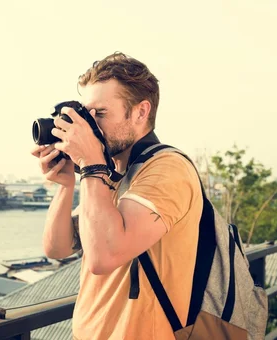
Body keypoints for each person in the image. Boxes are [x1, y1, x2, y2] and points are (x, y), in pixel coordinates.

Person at [31, 52, 203, 340]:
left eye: (100, 114)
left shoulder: (167, 169)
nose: (88, 126)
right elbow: (57, 249)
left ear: (140, 112)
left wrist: (91, 165)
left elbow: (103, 257)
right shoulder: (108, 176)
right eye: (86, 115)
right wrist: (65, 185)